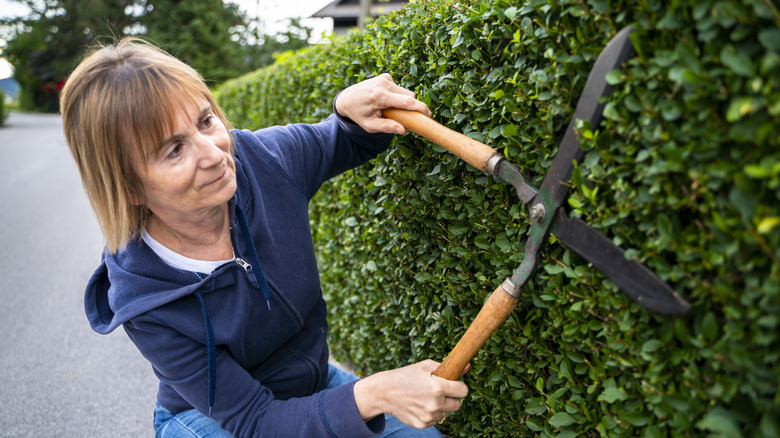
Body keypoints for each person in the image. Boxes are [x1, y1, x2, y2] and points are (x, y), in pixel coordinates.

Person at [60, 38, 468, 437]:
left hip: (314, 383)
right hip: (211, 421)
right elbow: (257, 422)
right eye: (174, 151)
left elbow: (341, 138)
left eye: (205, 121)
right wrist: (377, 393)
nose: (214, 153)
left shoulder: (263, 160)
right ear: (129, 188)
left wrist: (349, 112)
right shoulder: (144, 299)